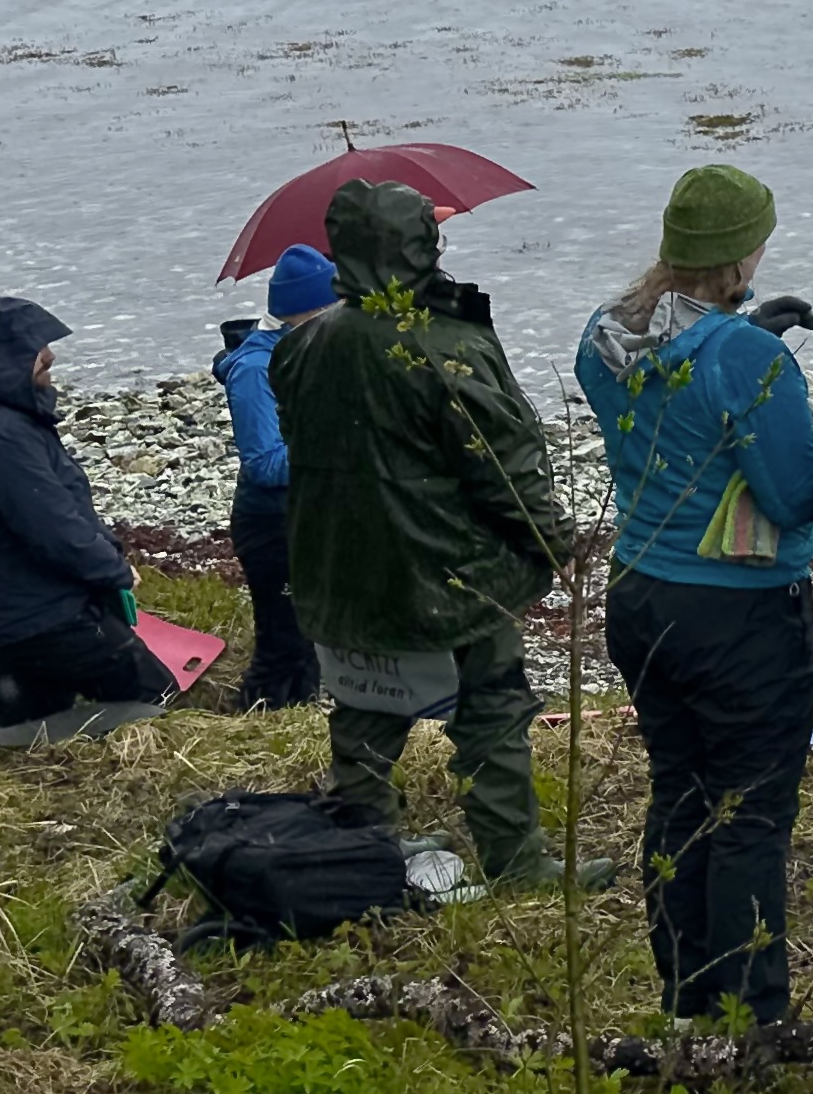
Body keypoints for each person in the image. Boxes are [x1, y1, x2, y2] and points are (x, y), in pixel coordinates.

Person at [273, 180, 595, 888]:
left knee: (364, 709)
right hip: (450, 572)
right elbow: (503, 467)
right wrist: (555, 541)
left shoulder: (300, 347)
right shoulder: (441, 346)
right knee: (493, 712)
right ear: (420, 249)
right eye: (432, 236)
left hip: (341, 566)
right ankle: (518, 864)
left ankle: (359, 853)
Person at [577, 164, 813, 1025]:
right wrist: (777, 375)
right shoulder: (749, 361)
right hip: (740, 610)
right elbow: (793, 495)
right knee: (751, 816)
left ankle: (687, 998)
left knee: (678, 792)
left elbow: (674, 396)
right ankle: (752, 1020)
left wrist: (739, 331)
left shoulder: (602, 335)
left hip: (641, 593)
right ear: (743, 256)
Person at [0, 297, 177, 746]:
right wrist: (115, 570)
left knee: (26, 734)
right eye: (35, 347)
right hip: (46, 615)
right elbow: (52, 527)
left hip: (12, 611)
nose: (49, 356)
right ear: (0, 360)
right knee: (153, 697)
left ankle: (36, 788)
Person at [216, 244, 331, 712]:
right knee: (284, 642)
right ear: (306, 311)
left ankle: (295, 720)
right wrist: (335, 448)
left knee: (312, 641)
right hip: (270, 524)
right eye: (333, 307)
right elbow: (263, 464)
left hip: (306, 517)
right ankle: (254, 723)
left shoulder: (306, 352)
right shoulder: (254, 369)